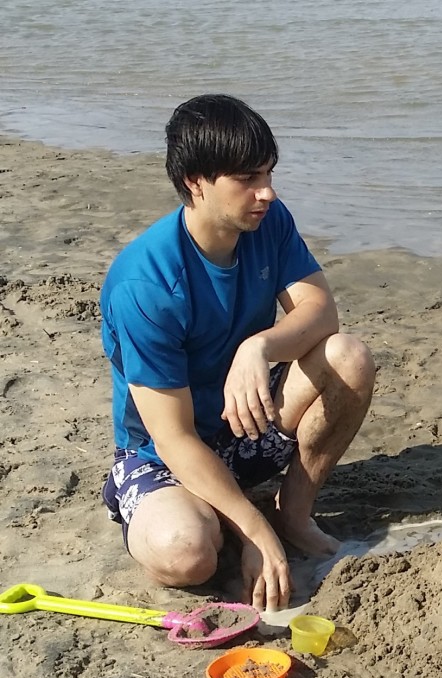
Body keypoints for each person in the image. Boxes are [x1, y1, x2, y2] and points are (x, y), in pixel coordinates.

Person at [100, 94, 375, 610]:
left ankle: (292, 516)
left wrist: (260, 346)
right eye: (248, 178)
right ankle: (227, 517)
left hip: (245, 423)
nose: (266, 192)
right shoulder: (146, 285)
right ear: (195, 182)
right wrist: (252, 531)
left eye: (268, 173)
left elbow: (321, 313)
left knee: (348, 357)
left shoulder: (268, 221)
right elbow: (174, 437)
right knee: (186, 553)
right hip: (163, 455)